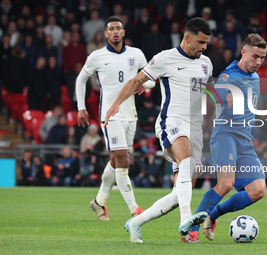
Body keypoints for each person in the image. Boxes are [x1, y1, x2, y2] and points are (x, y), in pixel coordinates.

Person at [104, 17, 213, 243]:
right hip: (171, 122)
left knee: (179, 193)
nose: (204, 47)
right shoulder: (165, 57)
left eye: (206, 43)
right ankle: (186, 219)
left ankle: (135, 223)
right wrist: (116, 104)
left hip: (195, 129)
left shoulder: (207, 63)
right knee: (187, 162)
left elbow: (195, 90)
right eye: (201, 42)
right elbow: (137, 80)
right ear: (187, 38)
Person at [187, 33, 267, 242]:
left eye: (262, 58)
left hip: (245, 141)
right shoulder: (228, 76)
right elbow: (215, 93)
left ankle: (212, 216)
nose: (258, 62)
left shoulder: (256, 77)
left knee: (258, 190)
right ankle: (191, 230)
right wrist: (227, 95)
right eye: (255, 56)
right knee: (225, 184)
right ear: (244, 51)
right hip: (225, 135)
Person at [76, 16, 154, 221]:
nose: (115, 32)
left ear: (124, 32)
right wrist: (81, 107)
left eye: (118, 28)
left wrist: (146, 85)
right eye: (111, 29)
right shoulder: (97, 56)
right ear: (106, 34)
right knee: (123, 158)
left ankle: (99, 202)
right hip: (110, 116)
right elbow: (80, 79)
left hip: (131, 115)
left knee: (116, 160)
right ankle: (134, 208)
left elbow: (153, 77)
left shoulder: (136, 54)